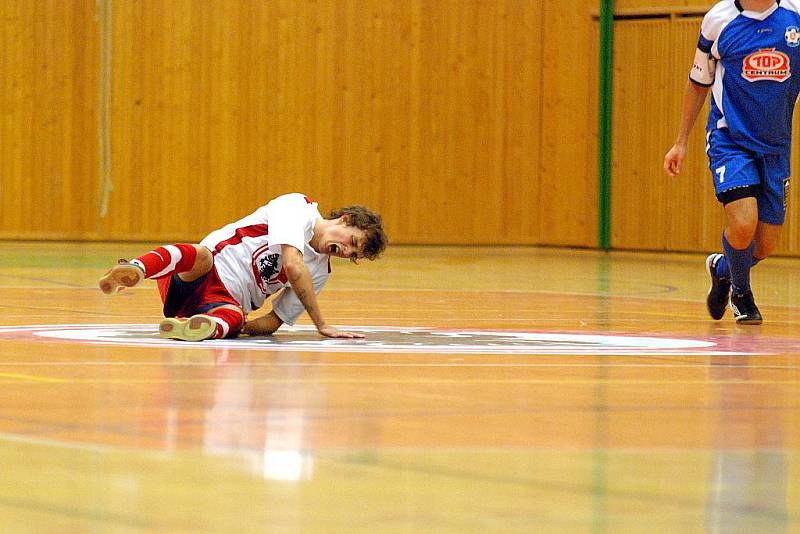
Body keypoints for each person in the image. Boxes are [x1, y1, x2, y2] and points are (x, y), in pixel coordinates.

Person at [664, 0, 800, 325]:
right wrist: (680, 141)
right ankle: (742, 294)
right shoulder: (718, 20)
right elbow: (698, 84)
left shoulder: (795, 15)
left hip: (776, 147)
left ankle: (722, 269)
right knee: (742, 223)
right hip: (730, 140)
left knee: (764, 244)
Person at [99, 193, 388, 341]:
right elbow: (292, 263)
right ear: (345, 219)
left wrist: (241, 326)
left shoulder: (320, 272)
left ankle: (197, 328)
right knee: (199, 254)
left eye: (353, 254)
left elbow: (275, 321)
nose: (346, 251)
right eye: (352, 241)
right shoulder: (299, 207)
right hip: (200, 273)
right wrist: (321, 325)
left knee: (234, 317)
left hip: (220, 302)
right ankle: (137, 268)